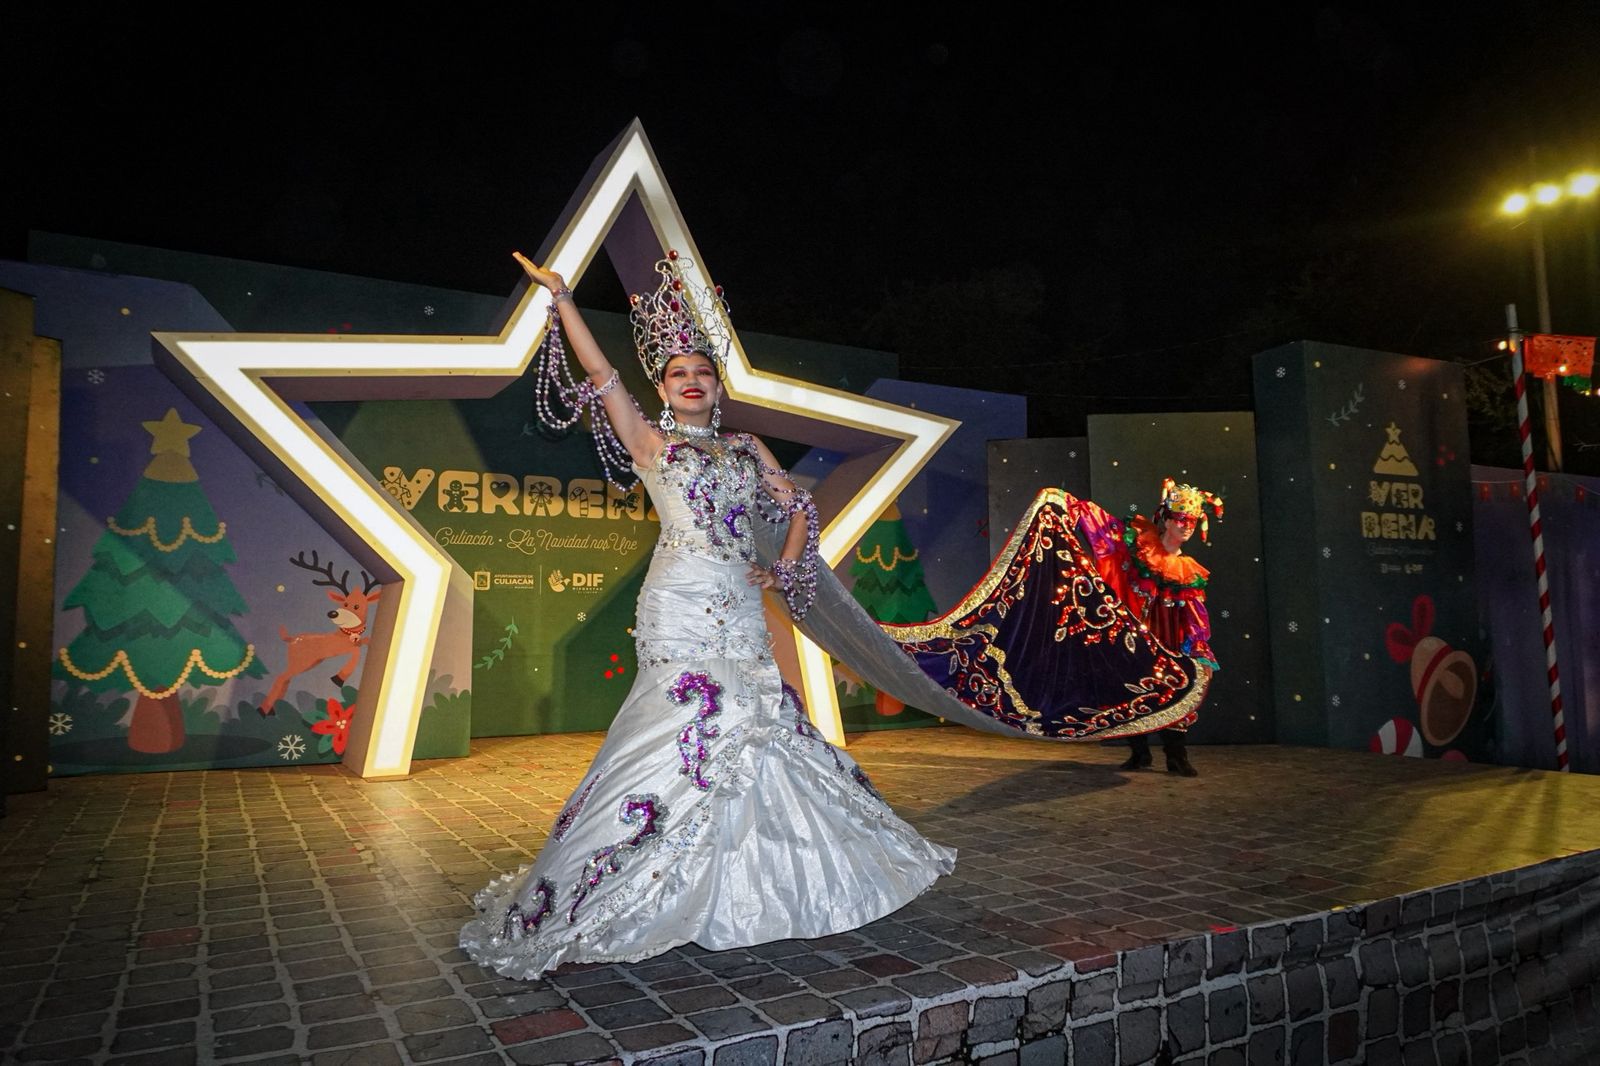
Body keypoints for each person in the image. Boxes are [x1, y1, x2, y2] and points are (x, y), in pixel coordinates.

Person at [459, 252, 956, 980]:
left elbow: (800, 508)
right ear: (662, 389)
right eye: (677, 373)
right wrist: (565, 299)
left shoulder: (746, 447)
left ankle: (753, 884)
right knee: (685, 722)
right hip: (679, 601)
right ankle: (623, 881)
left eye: (703, 371)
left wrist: (783, 568)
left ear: (716, 386)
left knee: (759, 723)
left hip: (739, 601)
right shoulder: (651, 443)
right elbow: (601, 377)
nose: (692, 380)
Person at [1074, 479, 1223, 777]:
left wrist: (1199, 646)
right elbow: (1105, 534)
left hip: (1170, 638)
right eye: (1180, 519)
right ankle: (1139, 753)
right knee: (1131, 690)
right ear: (1166, 519)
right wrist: (1074, 506)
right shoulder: (1141, 547)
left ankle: (1176, 755)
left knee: (1174, 690)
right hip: (1138, 634)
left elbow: (1194, 614)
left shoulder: (1187, 569)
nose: (1186, 526)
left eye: (1191, 521)